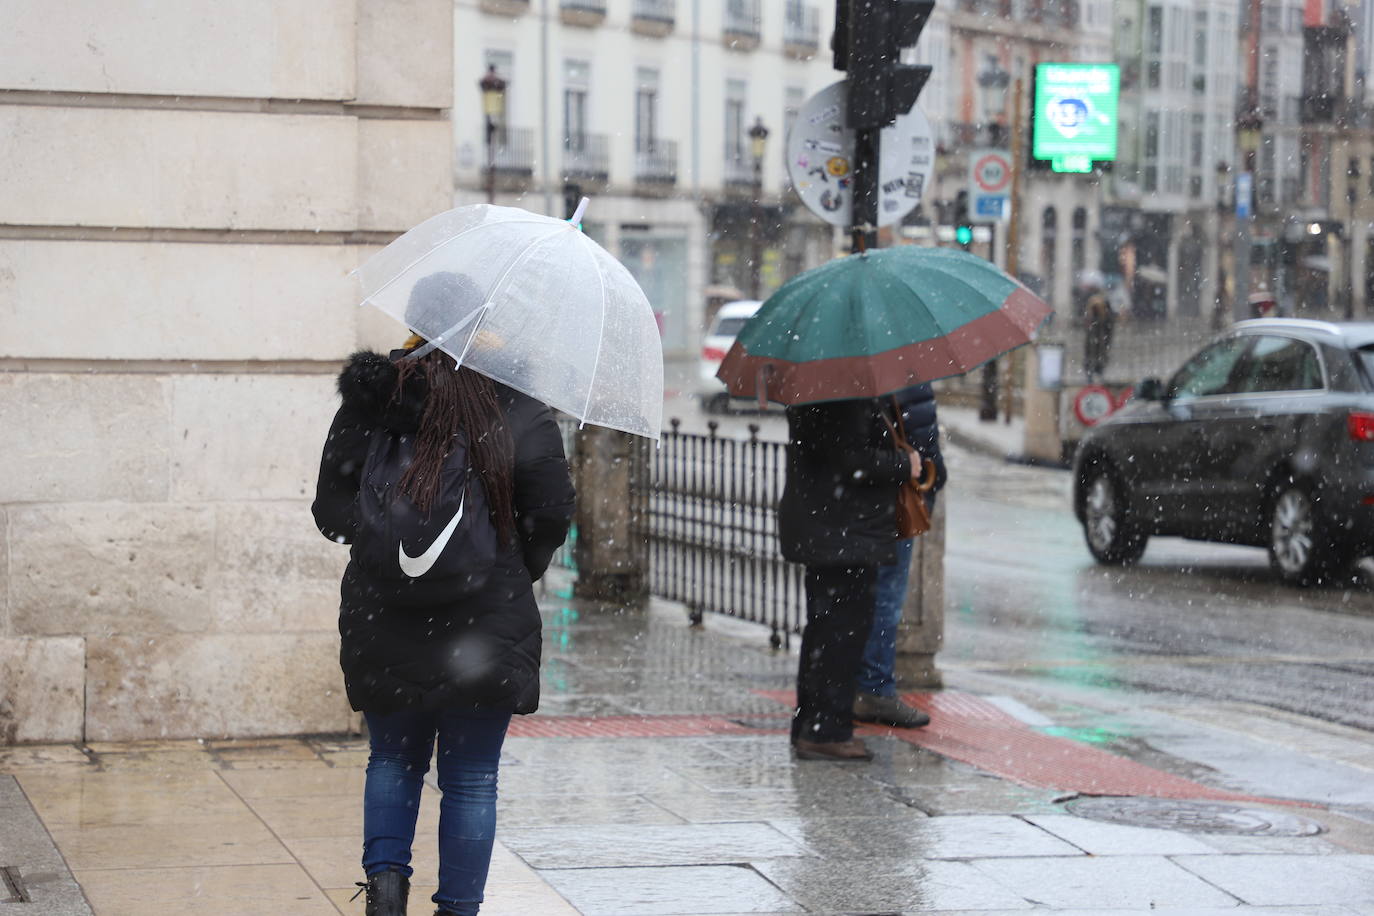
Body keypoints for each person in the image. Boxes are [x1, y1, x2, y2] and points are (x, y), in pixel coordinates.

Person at [311, 277, 575, 916]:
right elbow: (553, 512)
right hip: (488, 622)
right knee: (472, 777)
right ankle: (458, 907)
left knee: (393, 759)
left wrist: (385, 547)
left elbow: (331, 507)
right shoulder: (517, 404)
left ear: (418, 321)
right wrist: (508, 565)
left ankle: (386, 889)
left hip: (383, 611)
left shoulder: (374, 398)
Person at [777, 396, 923, 761]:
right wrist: (905, 463)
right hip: (846, 533)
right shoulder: (845, 394)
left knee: (825, 633)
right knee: (841, 635)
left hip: (830, 529)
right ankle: (827, 730)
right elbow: (852, 461)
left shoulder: (818, 387)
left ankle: (813, 725)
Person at [853, 383, 947, 728]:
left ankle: (863, 683)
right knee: (885, 596)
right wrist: (927, 469)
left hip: (885, 490)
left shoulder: (879, 365)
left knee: (872, 594)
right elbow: (917, 432)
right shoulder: (902, 367)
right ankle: (874, 688)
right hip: (893, 491)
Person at [1083, 287, 1114, 382]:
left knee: (1098, 360)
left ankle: (1096, 372)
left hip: (1100, 342)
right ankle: (1092, 373)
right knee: (1092, 359)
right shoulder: (1091, 315)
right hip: (1094, 343)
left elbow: (1109, 329)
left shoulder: (1105, 316)